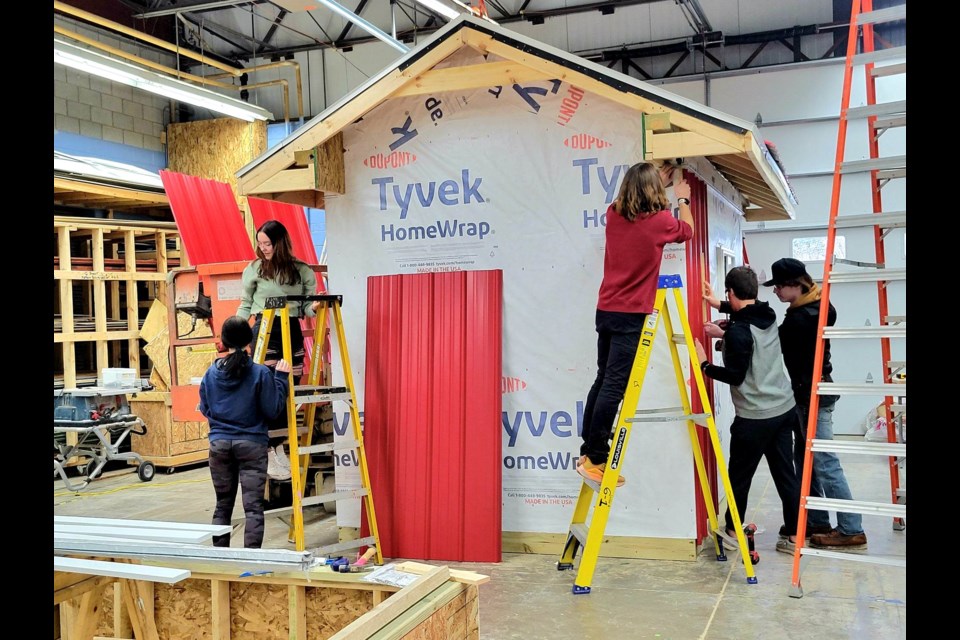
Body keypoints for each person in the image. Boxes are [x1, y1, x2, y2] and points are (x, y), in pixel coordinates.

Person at [577, 161, 693, 485]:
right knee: (614, 385)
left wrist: (656, 181)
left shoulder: (613, 214)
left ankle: (589, 450)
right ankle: (597, 458)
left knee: (603, 379)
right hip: (630, 315)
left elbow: (636, 201)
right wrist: (681, 198)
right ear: (655, 190)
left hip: (606, 309)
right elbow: (687, 231)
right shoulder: (661, 222)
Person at [694, 266, 801, 554]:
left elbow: (735, 376)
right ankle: (793, 537)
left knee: (740, 477)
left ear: (731, 292)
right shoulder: (768, 313)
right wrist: (721, 311)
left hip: (754, 418)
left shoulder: (739, 332)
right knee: (785, 475)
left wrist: (705, 364)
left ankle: (732, 531)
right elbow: (746, 317)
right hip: (783, 409)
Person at [764, 257, 868, 550]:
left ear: (795, 285)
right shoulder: (816, 305)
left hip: (813, 397)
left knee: (824, 462)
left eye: (779, 287)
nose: (776, 292)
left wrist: (730, 337)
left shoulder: (803, 318)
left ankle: (851, 527)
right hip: (810, 394)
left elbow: (772, 342)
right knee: (805, 460)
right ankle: (818, 520)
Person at [199, 316, 291, 548]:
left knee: (222, 505)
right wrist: (281, 379)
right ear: (250, 340)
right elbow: (273, 410)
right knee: (253, 508)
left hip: (219, 446)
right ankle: (251, 565)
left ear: (223, 341)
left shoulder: (210, 374)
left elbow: (206, 408)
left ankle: (221, 560)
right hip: (252, 446)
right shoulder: (260, 373)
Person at [237, 220, 319, 379]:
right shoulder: (254, 268)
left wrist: (314, 307)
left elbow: (306, 306)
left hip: (292, 327)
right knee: (266, 380)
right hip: (265, 327)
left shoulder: (302, 269)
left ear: (280, 243)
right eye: (260, 243)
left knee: (292, 381)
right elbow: (246, 304)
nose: (262, 248)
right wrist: (235, 330)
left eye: (267, 244)